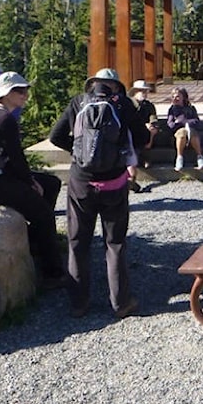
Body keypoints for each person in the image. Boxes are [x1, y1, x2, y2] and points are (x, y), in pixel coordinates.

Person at [49, 68, 143, 319]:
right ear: (115, 86)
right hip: (114, 182)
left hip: (81, 182)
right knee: (115, 243)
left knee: (78, 241)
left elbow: (55, 136)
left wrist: (79, 154)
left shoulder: (78, 103)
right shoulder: (122, 104)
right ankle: (121, 302)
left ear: (92, 85)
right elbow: (143, 138)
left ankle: (79, 303)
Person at [0, 71, 66, 290]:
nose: (25, 95)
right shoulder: (4, 119)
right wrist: (29, 182)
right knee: (44, 214)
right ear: (5, 93)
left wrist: (31, 181)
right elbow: (16, 157)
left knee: (52, 184)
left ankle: (35, 242)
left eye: (26, 90)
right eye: (19, 91)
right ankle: (52, 273)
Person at [166, 86, 203, 171]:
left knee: (192, 132)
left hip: (191, 131)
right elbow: (170, 125)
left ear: (183, 97)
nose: (175, 99)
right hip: (178, 132)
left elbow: (197, 121)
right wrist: (178, 123)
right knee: (182, 132)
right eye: (173, 97)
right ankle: (179, 157)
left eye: (177, 96)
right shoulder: (172, 110)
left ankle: (200, 156)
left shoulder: (191, 108)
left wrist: (185, 121)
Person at [128, 80, 159, 173]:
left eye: (146, 91)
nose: (145, 93)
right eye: (142, 91)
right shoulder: (128, 104)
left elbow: (153, 117)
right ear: (135, 92)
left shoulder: (149, 105)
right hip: (132, 130)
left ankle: (146, 157)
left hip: (145, 132)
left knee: (152, 130)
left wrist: (152, 125)